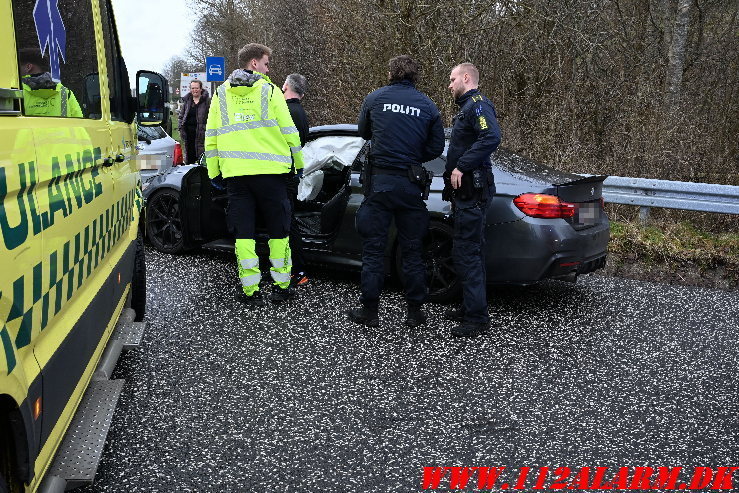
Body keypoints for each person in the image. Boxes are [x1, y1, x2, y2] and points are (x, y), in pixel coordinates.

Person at [348, 55, 444, 328]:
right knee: (413, 251)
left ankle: (370, 311)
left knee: (374, 250)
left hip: (379, 184)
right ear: (416, 76)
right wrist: (413, 156)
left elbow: (363, 132)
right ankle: (414, 312)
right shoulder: (427, 105)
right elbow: (436, 148)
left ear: (390, 72)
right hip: (409, 185)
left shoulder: (375, 98)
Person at [204, 43, 304, 307]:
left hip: (237, 176)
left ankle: (251, 291)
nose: (269, 69)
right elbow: (289, 131)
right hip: (271, 175)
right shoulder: (270, 91)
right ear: (253, 64)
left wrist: (215, 172)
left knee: (244, 234)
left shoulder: (220, 95)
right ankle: (281, 288)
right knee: (279, 231)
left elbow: (211, 137)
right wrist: (298, 164)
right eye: (266, 63)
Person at [443, 62, 501, 337]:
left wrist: (461, 166)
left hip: (473, 193)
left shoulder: (477, 105)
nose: (450, 85)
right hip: (467, 194)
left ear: (466, 78)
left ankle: (476, 319)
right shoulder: (467, 107)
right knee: (467, 251)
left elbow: (491, 136)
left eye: (453, 79)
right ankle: (470, 307)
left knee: (468, 253)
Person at [282, 73, 310, 287]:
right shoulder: (301, 113)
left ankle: (298, 271)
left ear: (285, 87)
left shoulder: (286, 112)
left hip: (283, 175)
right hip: (293, 174)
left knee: (287, 224)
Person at [18, 47, 83, 118]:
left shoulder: (17, 92)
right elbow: (79, 124)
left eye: (19, 66)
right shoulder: (65, 93)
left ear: (28, 67)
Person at [179, 79, 211, 164]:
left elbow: (211, 117)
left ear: (201, 89)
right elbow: (181, 116)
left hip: (202, 136)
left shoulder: (207, 102)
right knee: (189, 158)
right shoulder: (187, 102)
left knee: (201, 159)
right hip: (188, 135)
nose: (194, 90)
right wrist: (180, 127)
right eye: (192, 88)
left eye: (196, 88)